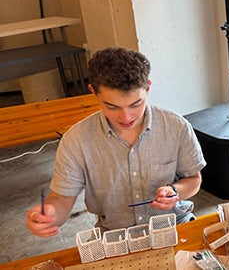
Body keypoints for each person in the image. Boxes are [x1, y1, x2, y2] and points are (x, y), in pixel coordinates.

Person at [26, 47, 206, 237]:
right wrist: (48, 216)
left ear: (148, 88)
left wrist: (175, 191)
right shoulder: (76, 140)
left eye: (135, 104)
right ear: (93, 92)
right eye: (112, 107)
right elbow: (62, 199)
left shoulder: (175, 126)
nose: (126, 116)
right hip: (116, 236)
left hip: (175, 226)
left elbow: (194, 180)